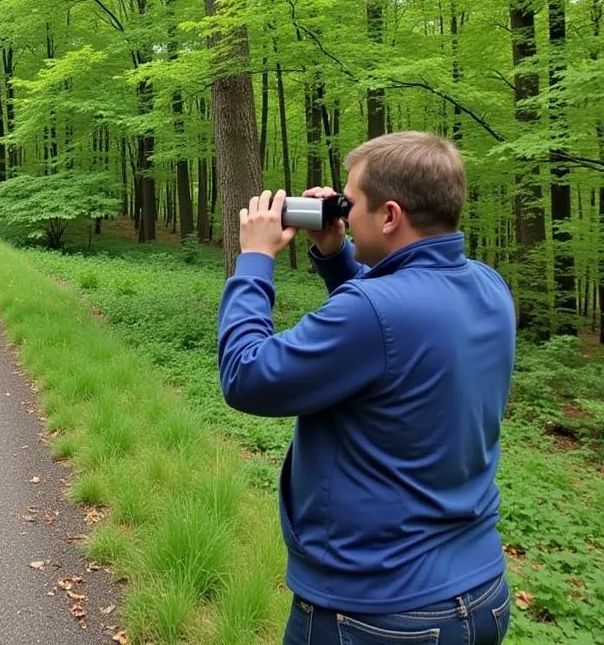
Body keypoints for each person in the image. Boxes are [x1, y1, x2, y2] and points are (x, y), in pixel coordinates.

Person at [217, 132, 515, 645]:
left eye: (350, 204)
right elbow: (388, 335)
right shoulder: (488, 286)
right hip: (482, 593)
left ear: (391, 215)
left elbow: (247, 376)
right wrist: (335, 256)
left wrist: (254, 261)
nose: (342, 214)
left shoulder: (374, 311)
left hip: (378, 613)